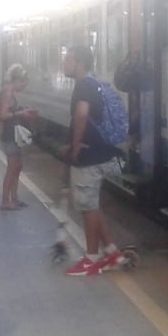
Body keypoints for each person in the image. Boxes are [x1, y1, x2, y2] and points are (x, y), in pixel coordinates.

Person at [61, 45, 125, 277]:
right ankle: (111, 253)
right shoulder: (94, 84)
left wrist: (76, 145)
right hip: (101, 153)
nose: (64, 63)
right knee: (92, 205)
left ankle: (91, 259)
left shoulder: (84, 86)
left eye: (67, 58)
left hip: (90, 158)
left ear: (78, 62)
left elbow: (82, 114)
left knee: (87, 208)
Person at [0, 63, 39, 210]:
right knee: (12, 167)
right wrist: (19, 113)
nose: (24, 87)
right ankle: (5, 201)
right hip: (9, 135)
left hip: (13, 135)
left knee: (17, 166)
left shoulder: (11, 92)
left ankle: (14, 198)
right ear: (17, 80)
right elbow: (2, 115)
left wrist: (23, 111)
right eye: (23, 83)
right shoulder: (7, 92)